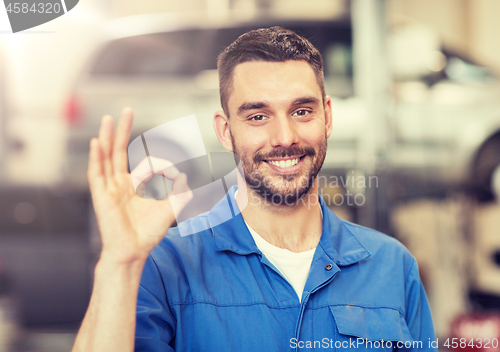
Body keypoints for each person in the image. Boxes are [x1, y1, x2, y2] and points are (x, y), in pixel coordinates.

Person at [71, 27, 437, 352]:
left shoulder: (391, 265)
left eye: (302, 111)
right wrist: (118, 263)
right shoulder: (165, 266)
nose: (285, 138)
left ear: (327, 116)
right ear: (226, 131)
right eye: (258, 117)